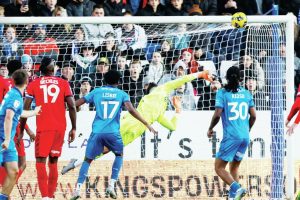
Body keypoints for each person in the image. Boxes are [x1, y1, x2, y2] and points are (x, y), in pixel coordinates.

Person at [62, 70, 213, 178]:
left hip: (135, 132)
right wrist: (198, 74)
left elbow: (172, 126)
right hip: (130, 122)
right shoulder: (160, 91)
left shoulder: (160, 112)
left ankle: (76, 162)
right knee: (105, 146)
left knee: (107, 150)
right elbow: (180, 80)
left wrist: (178, 111)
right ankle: (77, 160)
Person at [70, 70, 157, 200]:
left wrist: (68, 108)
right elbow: (131, 110)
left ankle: (77, 190)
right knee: (119, 155)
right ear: (119, 81)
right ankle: (111, 185)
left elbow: (75, 104)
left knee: (88, 159)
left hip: (97, 132)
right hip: (113, 133)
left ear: (105, 80)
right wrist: (146, 123)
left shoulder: (97, 91)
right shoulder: (122, 94)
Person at [19, 57, 77, 200]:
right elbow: (72, 106)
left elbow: (25, 108)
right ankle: (50, 197)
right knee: (53, 162)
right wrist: (74, 128)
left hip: (44, 128)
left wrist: (21, 130)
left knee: (40, 162)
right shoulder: (64, 83)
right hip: (60, 128)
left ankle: (45, 197)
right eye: (55, 64)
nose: (56, 66)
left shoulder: (34, 84)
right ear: (51, 68)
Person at [207, 66, 256, 200]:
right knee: (234, 168)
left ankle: (237, 189)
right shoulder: (246, 93)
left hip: (231, 136)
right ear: (241, 79)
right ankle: (234, 196)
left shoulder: (222, 93)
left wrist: (210, 128)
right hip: (245, 137)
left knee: (219, 168)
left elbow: (217, 114)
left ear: (226, 78)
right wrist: (247, 129)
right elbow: (253, 116)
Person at [0, 69, 41, 200]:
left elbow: (18, 113)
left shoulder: (14, 94)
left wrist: (34, 112)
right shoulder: (15, 96)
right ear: (27, 82)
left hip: (7, 139)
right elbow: (8, 117)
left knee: (14, 171)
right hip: (3, 138)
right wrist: (6, 139)